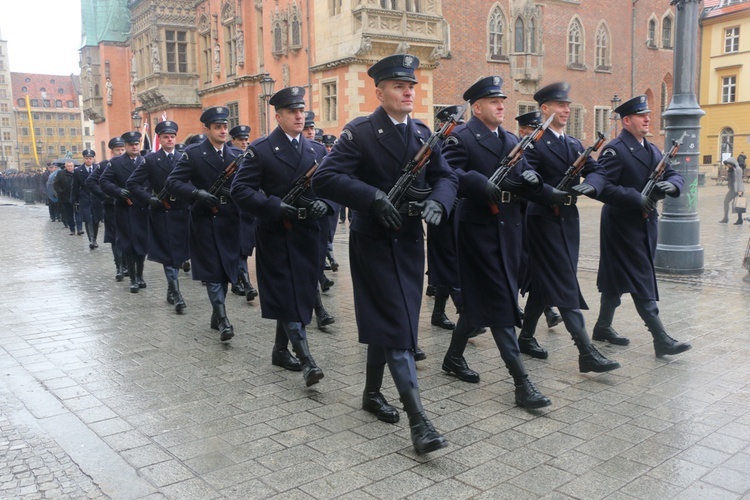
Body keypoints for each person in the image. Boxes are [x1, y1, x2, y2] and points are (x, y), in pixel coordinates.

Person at [313, 54, 456, 454]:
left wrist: (440, 203)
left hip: (410, 241)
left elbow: (447, 175)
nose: (408, 91)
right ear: (379, 92)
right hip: (374, 242)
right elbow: (326, 177)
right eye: (398, 85)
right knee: (397, 327)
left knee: (394, 319)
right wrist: (372, 197)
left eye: (411, 85)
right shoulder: (360, 132)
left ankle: (371, 394)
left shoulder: (423, 134)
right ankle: (419, 421)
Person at [439, 77, 550, 409]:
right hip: (478, 228)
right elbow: (449, 174)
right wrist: (479, 183)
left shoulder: (511, 139)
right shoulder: (461, 138)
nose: (501, 105)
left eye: (502, 100)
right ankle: (521, 382)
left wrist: (533, 179)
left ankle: (453, 358)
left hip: (509, 227)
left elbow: (526, 172)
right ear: (476, 107)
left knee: (477, 304)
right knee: (501, 302)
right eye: (493, 101)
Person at [519, 82, 620, 373]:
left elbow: (597, 170)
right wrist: (549, 193)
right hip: (543, 220)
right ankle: (585, 350)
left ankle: (525, 337)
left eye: (567, 105)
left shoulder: (574, 144)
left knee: (544, 282)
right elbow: (527, 181)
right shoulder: (534, 144)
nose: (566, 110)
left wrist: (590, 186)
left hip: (568, 220)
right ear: (545, 109)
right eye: (560, 105)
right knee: (564, 281)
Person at [231, 86, 329, 386]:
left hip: (307, 234)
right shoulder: (260, 150)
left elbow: (333, 184)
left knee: (299, 292)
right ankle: (307, 361)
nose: (299, 116)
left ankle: (279, 350)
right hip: (277, 234)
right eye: (292, 112)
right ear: (278, 116)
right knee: (287, 293)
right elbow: (240, 190)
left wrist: (325, 203)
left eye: (301, 111)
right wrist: (274, 205)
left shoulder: (316, 149)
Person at [595, 95, 692, 357]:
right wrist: (634, 197)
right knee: (641, 278)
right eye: (641, 115)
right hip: (622, 225)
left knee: (616, 278)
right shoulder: (615, 149)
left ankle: (602, 327)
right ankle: (661, 338)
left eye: (648, 114)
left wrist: (672, 186)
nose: (648, 118)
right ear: (627, 121)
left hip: (646, 223)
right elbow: (603, 187)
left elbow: (672, 173)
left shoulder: (651, 149)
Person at [165, 107, 242, 342]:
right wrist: (196, 193)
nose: (222, 130)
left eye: (224, 126)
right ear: (206, 129)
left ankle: (215, 314)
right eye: (217, 127)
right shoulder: (194, 154)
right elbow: (172, 182)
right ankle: (223, 319)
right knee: (213, 272)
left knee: (227, 271)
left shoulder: (236, 155)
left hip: (230, 221)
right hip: (205, 221)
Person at [127, 120, 190, 313]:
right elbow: (133, 183)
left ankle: (171, 290)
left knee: (179, 255)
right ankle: (178, 295)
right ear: (160, 139)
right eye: (165, 136)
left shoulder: (185, 158)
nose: (170, 139)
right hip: (162, 210)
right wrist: (149, 199)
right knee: (169, 254)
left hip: (183, 210)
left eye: (172, 136)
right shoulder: (151, 160)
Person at [515, 111, 563, 330]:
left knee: (533, 266)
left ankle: (547, 310)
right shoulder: (517, 148)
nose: (537, 133)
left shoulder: (540, 148)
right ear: (523, 130)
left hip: (533, 215)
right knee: (518, 264)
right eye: (533, 128)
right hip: (516, 214)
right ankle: (513, 305)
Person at [426, 105, 465, 331]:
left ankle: (438, 313)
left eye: (460, 123)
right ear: (443, 123)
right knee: (447, 259)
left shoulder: (462, 141)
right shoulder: (434, 142)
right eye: (454, 123)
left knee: (449, 260)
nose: (458, 127)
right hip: (439, 210)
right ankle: (462, 306)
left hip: (458, 210)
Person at [100, 132, 150, 293]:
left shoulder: (145, 161)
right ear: (126, 146)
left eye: (136, 144)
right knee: (128, 244)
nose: (134, 147)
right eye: (130, 145)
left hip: (142, 207)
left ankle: (141, 275)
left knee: (141, 243)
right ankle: (133, 279)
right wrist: (118, 191)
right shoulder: (116, 163)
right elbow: (104, 181)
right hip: (124, 208)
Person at [228, 124, 259, 301]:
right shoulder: (230, 156)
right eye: (241, 139)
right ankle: (246, 284)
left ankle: (235, 282)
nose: (244, 142)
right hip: (232, 209)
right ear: (233, 141)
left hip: (246, 211)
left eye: (246, 139)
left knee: (244, 249)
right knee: (239, 249)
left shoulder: (249, 156)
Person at [88, 138, 127, 279]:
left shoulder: (131, 163)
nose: (121, 152)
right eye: (118, 150)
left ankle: (128, 265)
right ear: (112, 151)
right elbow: (91, 181)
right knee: (115, 237)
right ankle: (119, 267)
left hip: (129, 206)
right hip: (112, 207)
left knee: (128, 236)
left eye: (123, 149)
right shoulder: (105, 165)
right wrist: (105, 196)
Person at [72, 150, 104, 249]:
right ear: (84, 158)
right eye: (86, 158)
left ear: (94, 158)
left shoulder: (99, 169)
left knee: (96, 220)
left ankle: (94, 237)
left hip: (96, 198)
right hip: (84, 198)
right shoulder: (78, 171)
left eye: (90, 158)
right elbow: (75, 186)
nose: (88, 160)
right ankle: (91, 239)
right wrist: (74, 200)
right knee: (88, 219)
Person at [719, 157, 745, 225]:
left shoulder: (738, 169)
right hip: (732, 189)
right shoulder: (731, 170)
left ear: (732, 163)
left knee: (738, 204)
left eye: (728, 164)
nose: (727, 165)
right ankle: (726, 218)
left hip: (737, 189)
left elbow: (739, 180)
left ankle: (740, 219)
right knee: (726, 202)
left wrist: (740, 191)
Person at [54, 161, 76, 235]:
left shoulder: (77, 173)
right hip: (65, 197)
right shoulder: (60, 173)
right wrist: (61, 192)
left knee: (77, 213)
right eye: (68, 166)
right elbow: (56, 184)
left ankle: (79, 228)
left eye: (71, 166)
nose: (70, 167)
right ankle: (72, 228)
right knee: (69, 213)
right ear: (65, 167)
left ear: (73, 166)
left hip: (75, 196)